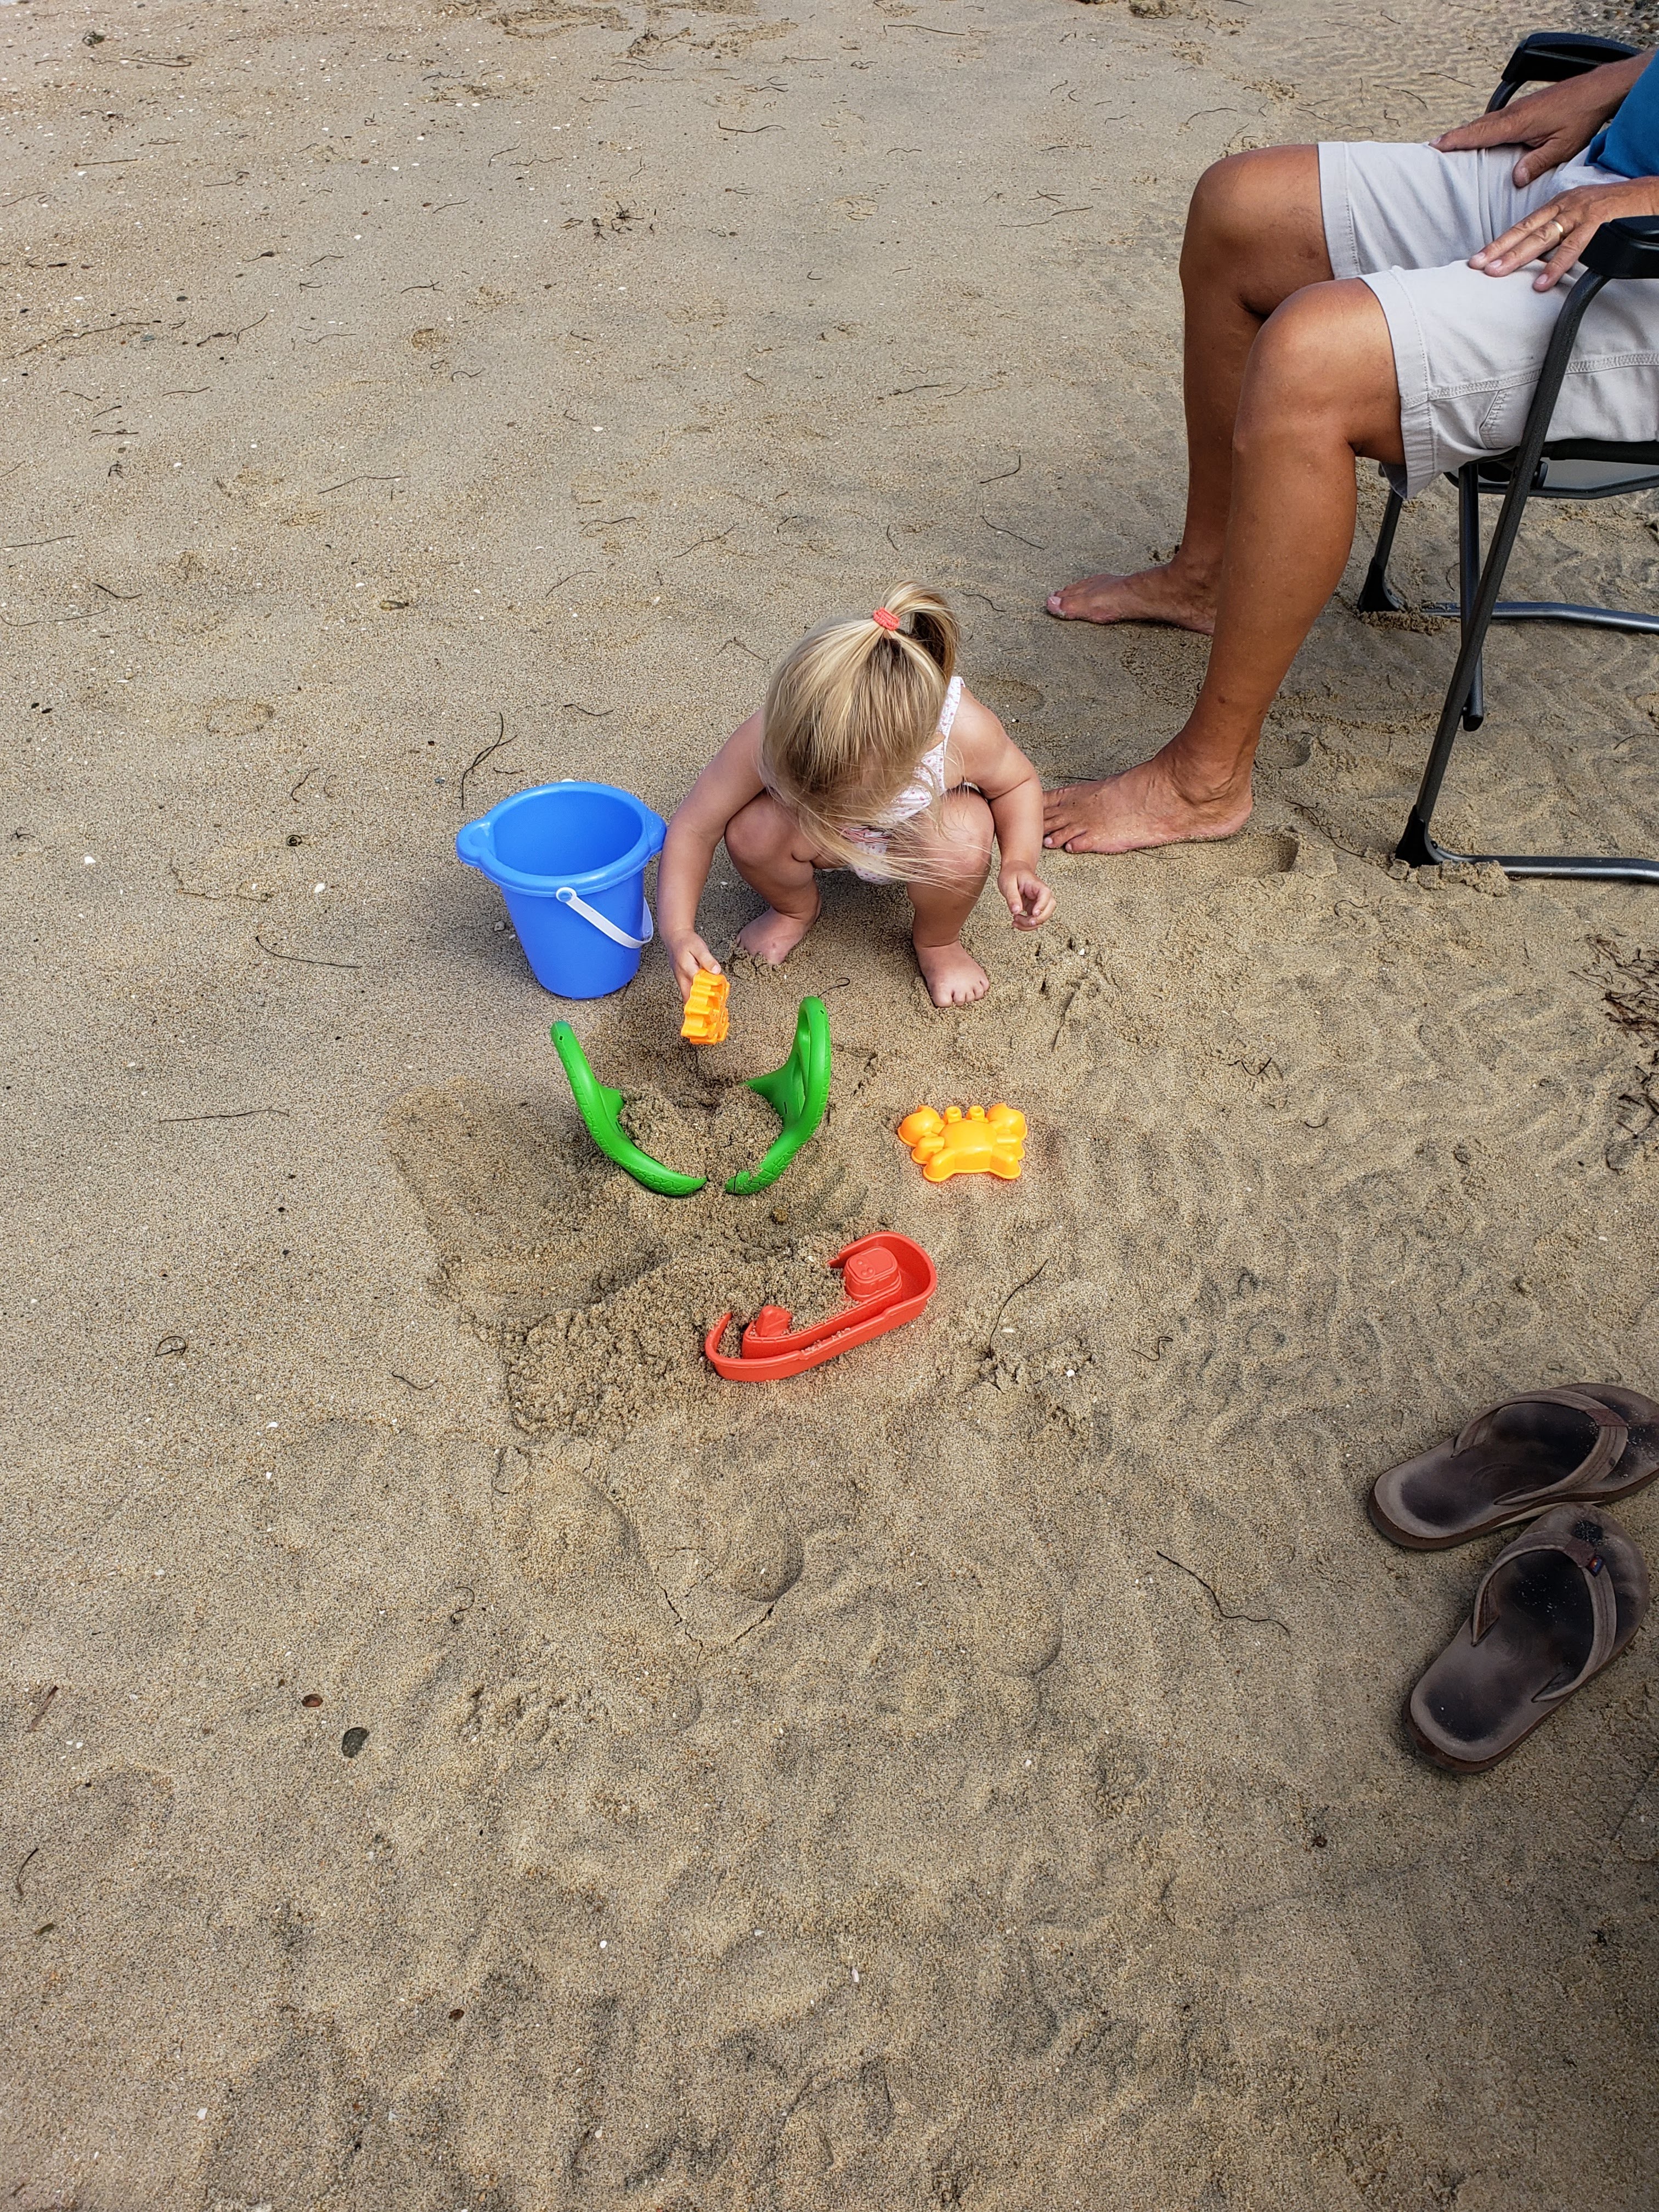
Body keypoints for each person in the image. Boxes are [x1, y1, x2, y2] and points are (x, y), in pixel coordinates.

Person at [1041, 47, 1659, 855]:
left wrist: (1645, 196)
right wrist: (1616, 84)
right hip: (1601, 171)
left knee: (1310, 359)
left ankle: (1205, 781)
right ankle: (1208, 577)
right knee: (1241, 207)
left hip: (1641, 258)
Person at [657, 585, 1056, 1008]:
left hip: (921, 838)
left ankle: (938, 942)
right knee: (752, 832)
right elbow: (696, 826)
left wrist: (1018, 861)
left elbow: (1016, 785)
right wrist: (678, 931)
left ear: (919, 751)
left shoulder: (962, 731)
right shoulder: (777, 729)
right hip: (823, 839)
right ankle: (794, 910)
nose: (832, 803)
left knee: (964, 836)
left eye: (845, 795)